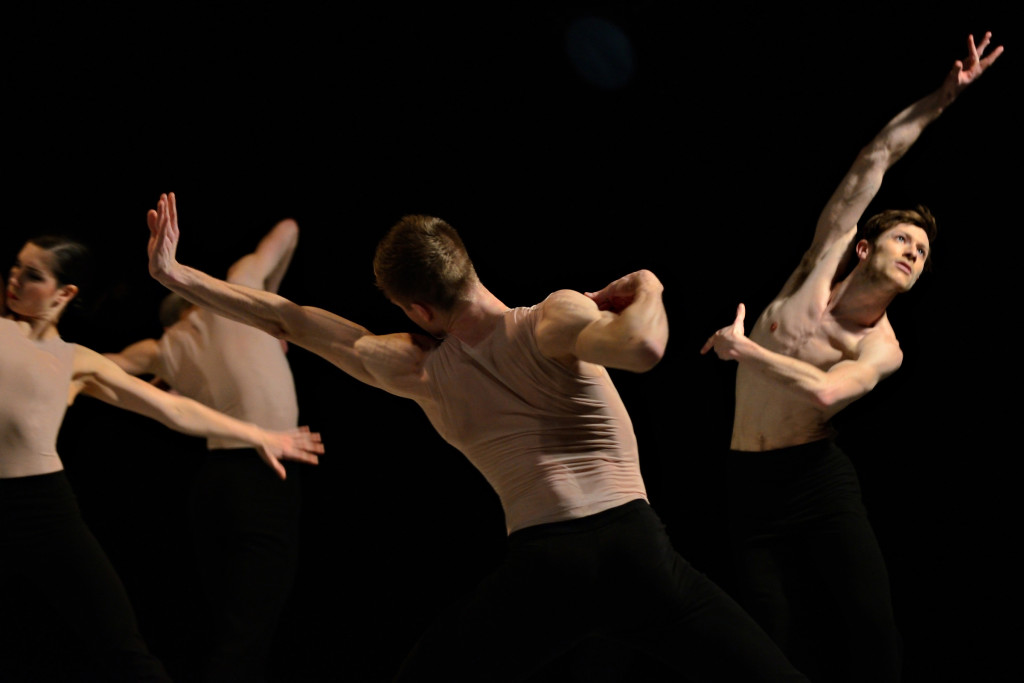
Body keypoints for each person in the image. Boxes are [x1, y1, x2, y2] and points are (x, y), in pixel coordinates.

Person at [145, 194, 810, 682]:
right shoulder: (551, 317)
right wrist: (648, 283)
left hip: (547, 565)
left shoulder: (417, 369)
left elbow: (294, 317)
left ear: (416, 309)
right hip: (637, 550)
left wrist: (180, 277)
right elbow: (645, 344)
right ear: (465, 260)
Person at [700, 32, 1003, 682]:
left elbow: (828, 394)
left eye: (923, 253)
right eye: (903, 238)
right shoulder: (823, 258)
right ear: (866, 247)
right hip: (746, 482)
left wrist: (743, 347)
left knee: (872, 624)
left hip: (816, 482)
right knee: (766, 631)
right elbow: (878, 156)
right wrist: (941, 102)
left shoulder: (882, 345)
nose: (915, 253)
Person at [1, 234, 323, 682]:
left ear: (64, 293)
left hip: (42, 507)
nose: (14, 279)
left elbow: (172, 408)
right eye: (15, 268)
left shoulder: (79, 359)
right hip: (26, 500)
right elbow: (286, 230)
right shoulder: (2, 331)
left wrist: (257, 432)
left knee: (123, 647)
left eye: (32, 274)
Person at [105, 219, 304, 682]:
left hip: (214, 485)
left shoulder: (163, 347)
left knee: (222, 628)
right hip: (266, 473)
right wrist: (276, 313)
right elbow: (288, 229)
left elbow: (105, 367)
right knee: (249, 633)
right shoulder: (240, 289)